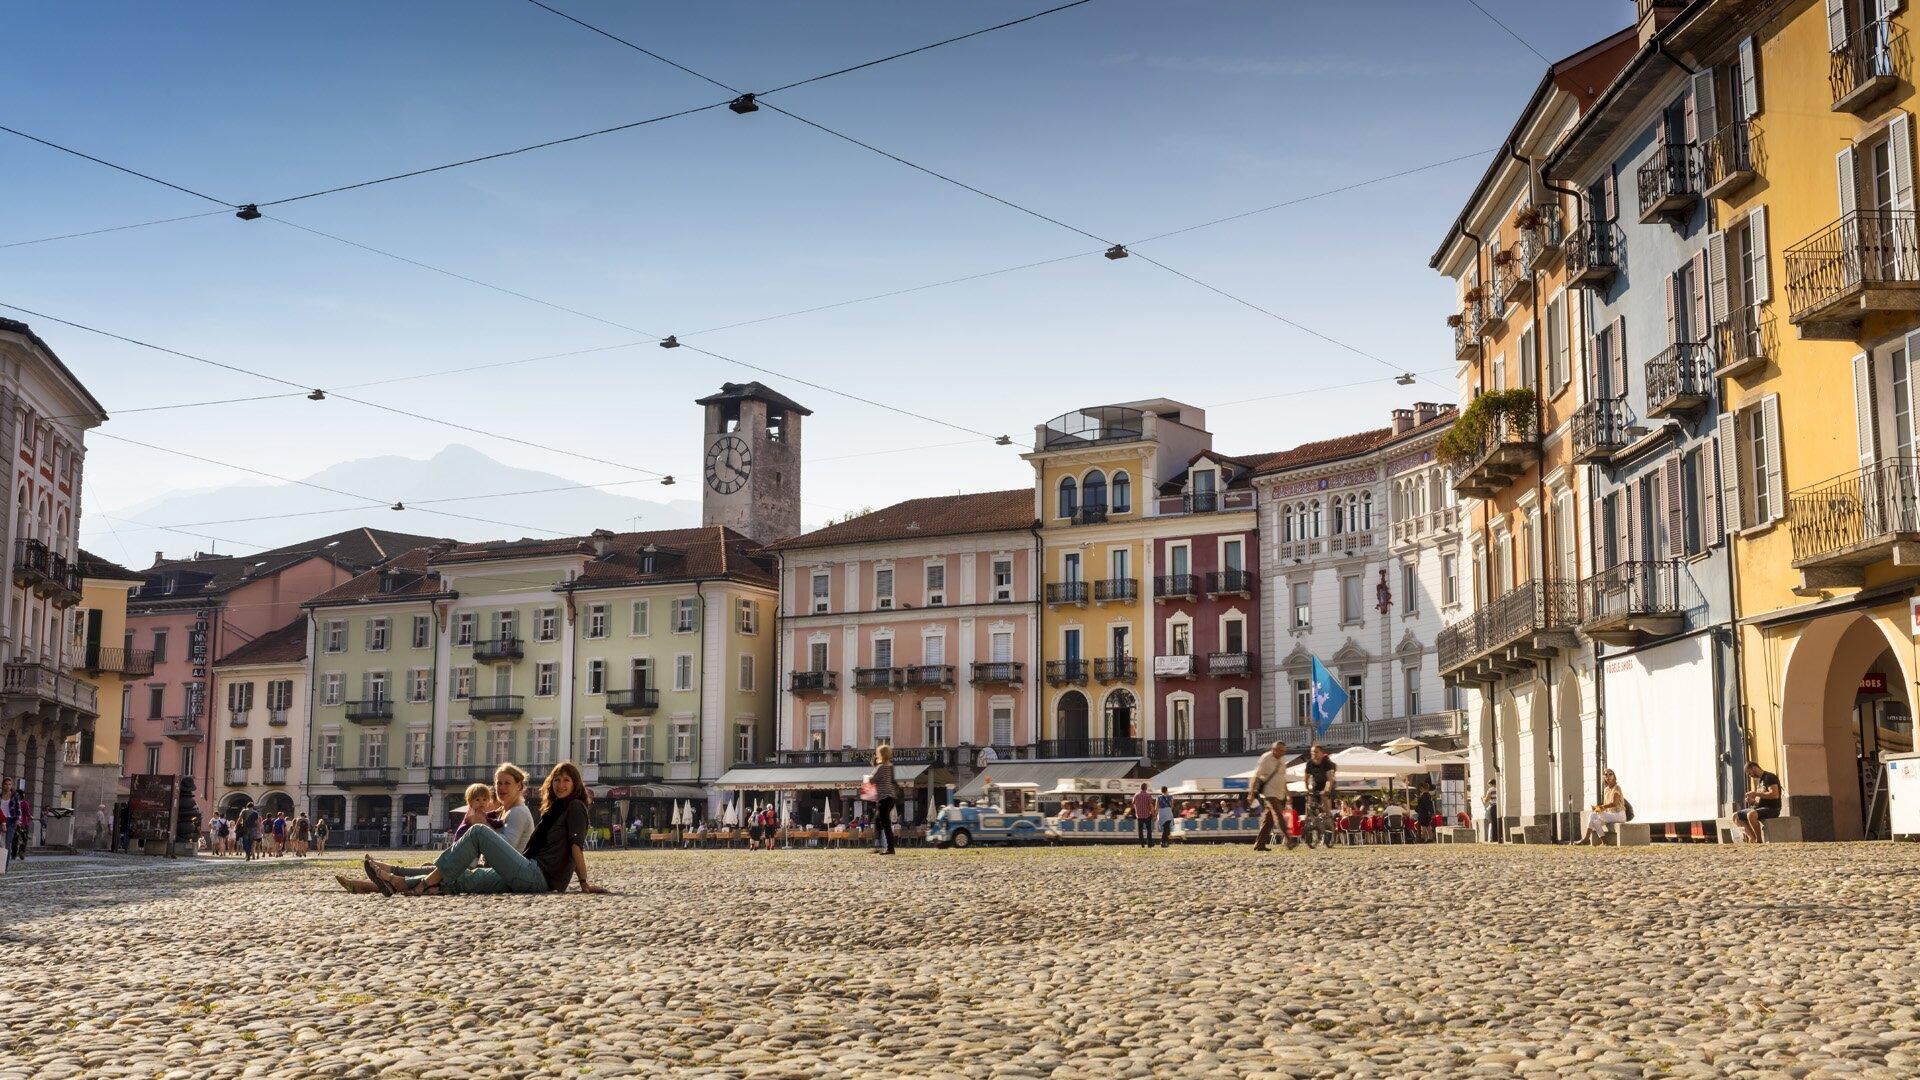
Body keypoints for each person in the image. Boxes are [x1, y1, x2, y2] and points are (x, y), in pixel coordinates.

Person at [364, 761, 610, 896]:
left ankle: (420, 881)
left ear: (575, 784)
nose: (560, 784)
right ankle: (396, 881)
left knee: (478, 833)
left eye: (566, 780)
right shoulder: (555, 809)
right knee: (463, 878)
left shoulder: (575, 806)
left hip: (539, 876)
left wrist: (584, 883)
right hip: (527, 872)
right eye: (557, 779)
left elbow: (576, 846)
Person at [1251, 740, 1291, 852]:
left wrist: (1287, 793)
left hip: (1280, 793)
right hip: (1269, 792)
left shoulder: (1282, 759)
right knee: (1278, 814)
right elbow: (1257, 776)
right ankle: (1289, 839)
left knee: (1269, 820)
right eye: (1281, 751)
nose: (1283, 753)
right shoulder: (1266, 758)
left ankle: (1259, 844)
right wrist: (1251, 793)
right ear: (1274, 750)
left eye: (1284, 751)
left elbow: (1282, 777)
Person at [1734, 761, 1784, 843]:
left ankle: (1759, 840)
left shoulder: (1769, 777)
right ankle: (1752, 838)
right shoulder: (1760, 781)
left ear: (1753, 768)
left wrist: (1755, 793)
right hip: (1760, 808)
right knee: (1736, 816)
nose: (1750, 776)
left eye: (1749, 773)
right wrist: (1752, 801)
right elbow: (1760, 799)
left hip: (1772, 809)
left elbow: (1775, 795)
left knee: (1751, 815)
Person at [1578, 769, 1629, 846]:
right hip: (1610, 815)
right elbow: (1606, 805)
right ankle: (1604, 842)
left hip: (1619, 815)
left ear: (1614, 776)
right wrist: (1598, 809)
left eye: (1610, 774)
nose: (1608, 776)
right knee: (1595, 822)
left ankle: (1586, 839)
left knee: (1593, 815)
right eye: (1606, 775)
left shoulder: (1617, 788)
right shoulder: (1606, 790)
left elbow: (1614, 803)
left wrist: (1601, 807)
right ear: (1604, 777)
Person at [870, 744, 899, 855]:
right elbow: (893, 780)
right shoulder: (890, 766)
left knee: (885, 824)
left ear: (880, 754)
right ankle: (878, 845)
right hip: (891, 798)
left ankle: (890, 848)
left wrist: (874, 767)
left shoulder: (881, 767)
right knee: (878, 821)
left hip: (883, 798)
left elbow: (872, 780)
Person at [1130, 783, 1155, 849]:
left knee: (1140, 830)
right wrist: (1153, 814)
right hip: (1147, 815)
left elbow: (1133, 804)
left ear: (1140, 788)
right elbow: (1151, 805)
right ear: (1146, 788)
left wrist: (1136, 810)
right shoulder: (1148, 795)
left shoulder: (1136, 795)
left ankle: (1142, 844)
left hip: (1139, 816)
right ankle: (1149, 844)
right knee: (1149, 830)